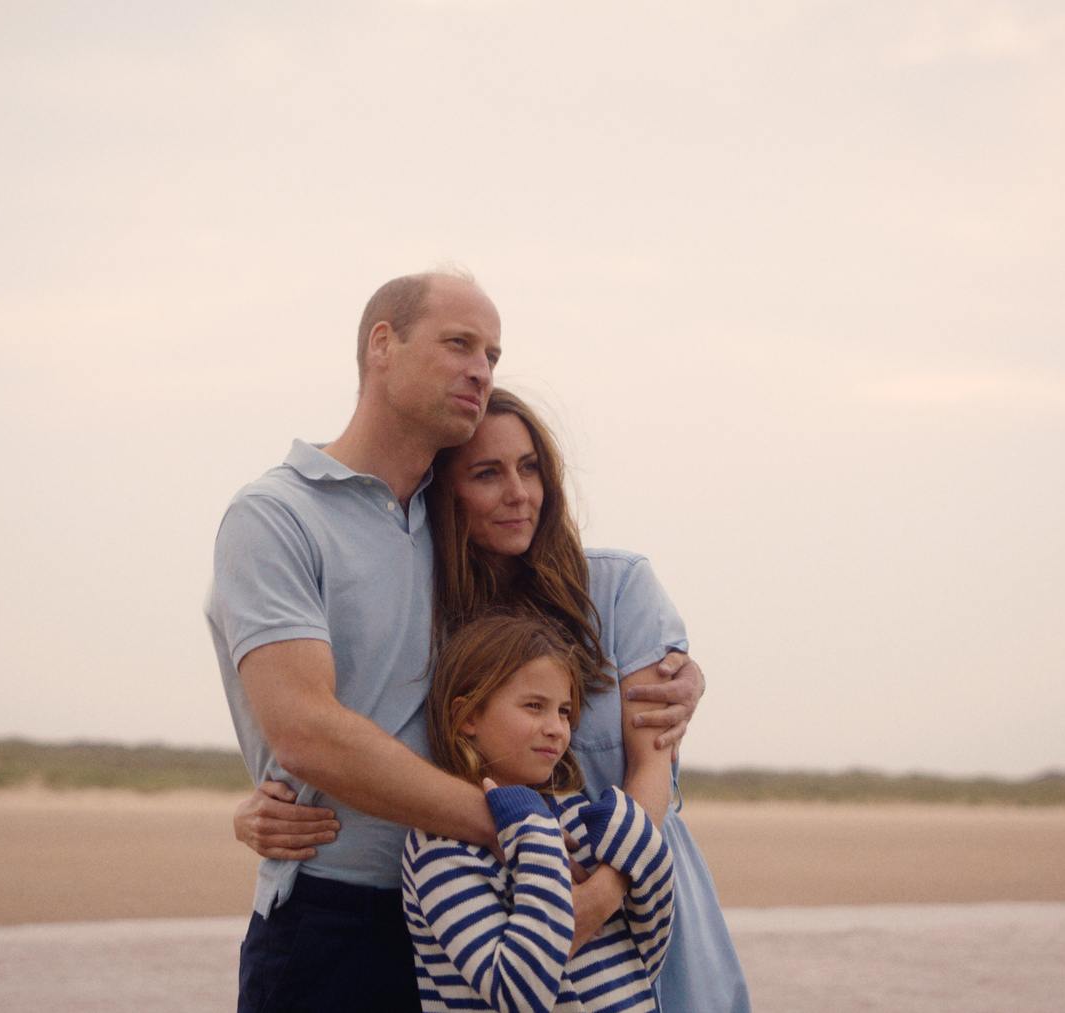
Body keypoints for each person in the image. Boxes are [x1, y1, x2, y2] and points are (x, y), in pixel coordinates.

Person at [207, 270, 705, 1012]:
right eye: (459, 344)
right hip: (336, 912)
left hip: (470, 919)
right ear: (383, 344)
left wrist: (683, 670)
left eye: (493, 354)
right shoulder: (277, 515)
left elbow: (561, 640)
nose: (481, 368)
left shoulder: (456, 538)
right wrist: (511, 825)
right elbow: (305, 731)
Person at [402, 612, 673, 1013]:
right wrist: (533, 832)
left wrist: (638, 841)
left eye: (564, 711)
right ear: (467, 716)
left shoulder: (577, 813)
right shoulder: (439, 847)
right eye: (534, 706)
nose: (557, 728)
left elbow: (648, 948)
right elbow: (517, 993)